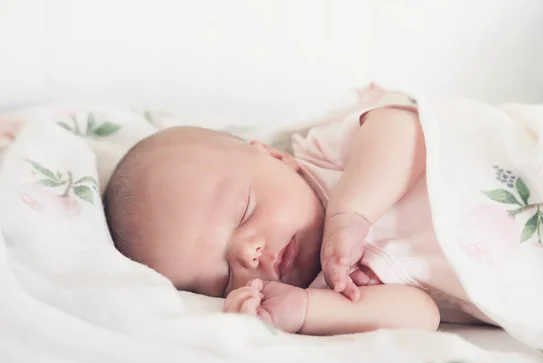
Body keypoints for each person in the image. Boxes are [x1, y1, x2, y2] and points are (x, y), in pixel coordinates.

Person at [104, 84, 491, 335]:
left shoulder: (323, 157)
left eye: (243, 211)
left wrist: (351, 212)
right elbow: (421, 315)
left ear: (275, 157)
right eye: (222, 279)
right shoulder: (326, 288)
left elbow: (404, 127)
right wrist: (306, 311)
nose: (246, 253)